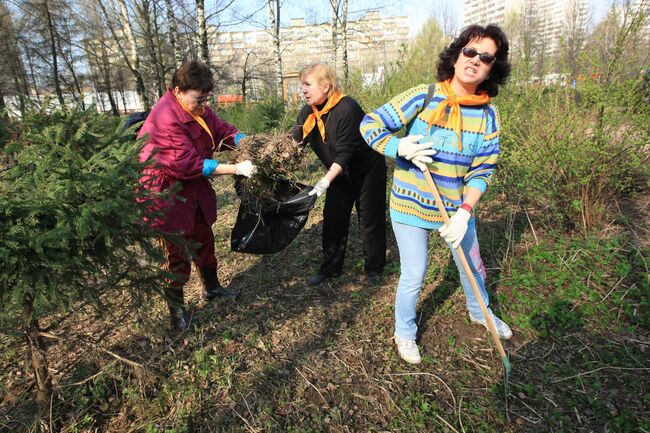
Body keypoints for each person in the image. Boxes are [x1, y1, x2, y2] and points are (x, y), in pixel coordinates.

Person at [360, 25, 513, 364]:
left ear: (493, 69)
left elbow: (483, 169)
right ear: (457, 55)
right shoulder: (423, 96)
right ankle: (404, 332)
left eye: (486, 57)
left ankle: (480, 313)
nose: (475, 61)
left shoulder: (488, 116)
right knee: (414, 274)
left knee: (472, 267)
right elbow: (370, 124)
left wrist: (465, 212)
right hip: (410, 205)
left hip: (454, 210)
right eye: (470, 52)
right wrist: (398, 146)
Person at [138, 60, 256, 331]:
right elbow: (187, 164)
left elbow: (221, 131)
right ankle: (177, 315)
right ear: (178, 91)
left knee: (203, 237)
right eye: (198, 98)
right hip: (165, 194)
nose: (204, 103)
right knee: (176, 253)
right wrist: (236, 168)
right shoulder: (164, 119)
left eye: (206, 97)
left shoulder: (197, 110)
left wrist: (244, 141)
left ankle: (212, 289)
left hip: (192, 188)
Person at [291, 62, 387, 286]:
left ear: (326, 86)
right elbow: (294, 142)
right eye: (302, 85)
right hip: (338, 175)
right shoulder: (308, 113)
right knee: (333, 219)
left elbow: (345, 153)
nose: (303, 90)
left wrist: (323, 183)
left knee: (369, 220)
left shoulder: (347, 108)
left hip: (367, 171)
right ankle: (330, 269)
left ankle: (374, 268)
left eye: (308, 84)